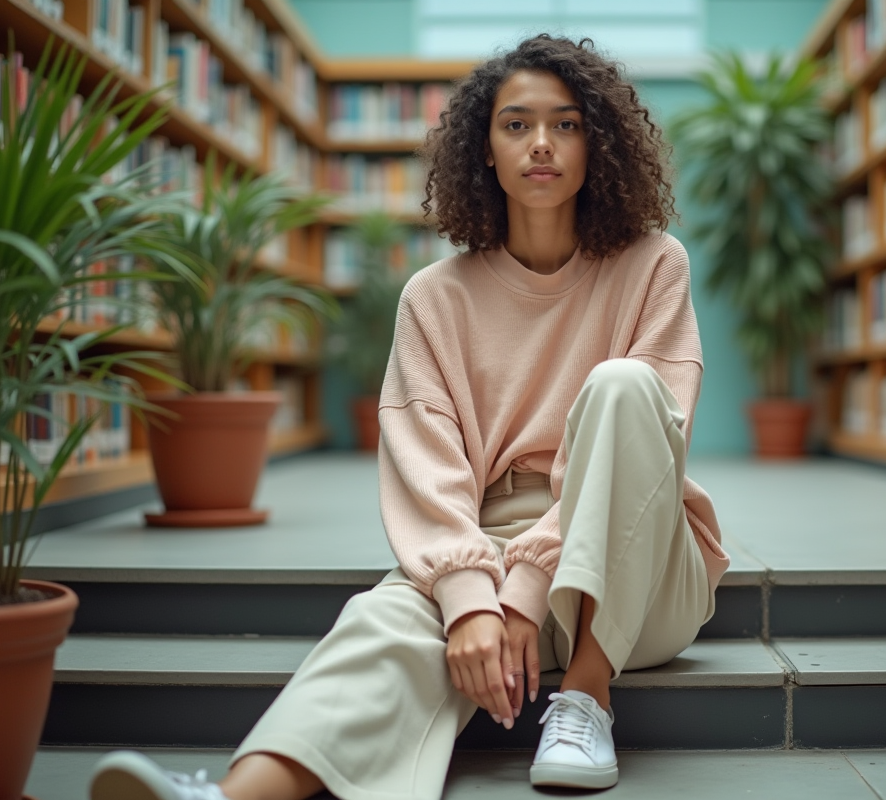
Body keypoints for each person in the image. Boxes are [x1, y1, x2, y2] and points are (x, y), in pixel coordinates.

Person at [89, 33, 730, 800]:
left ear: (599, 143)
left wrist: (527, 589)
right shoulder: (433, 297)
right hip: (484, 539)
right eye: (516, 124)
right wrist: (468, 604)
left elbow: (658, 432)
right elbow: (425, 468)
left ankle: (587, 696)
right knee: (381, 623)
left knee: (623, 386)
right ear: (483, 150)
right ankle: (229, 798)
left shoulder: (656, 263)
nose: (541, 145)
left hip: (641, 561)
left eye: (566, 124)